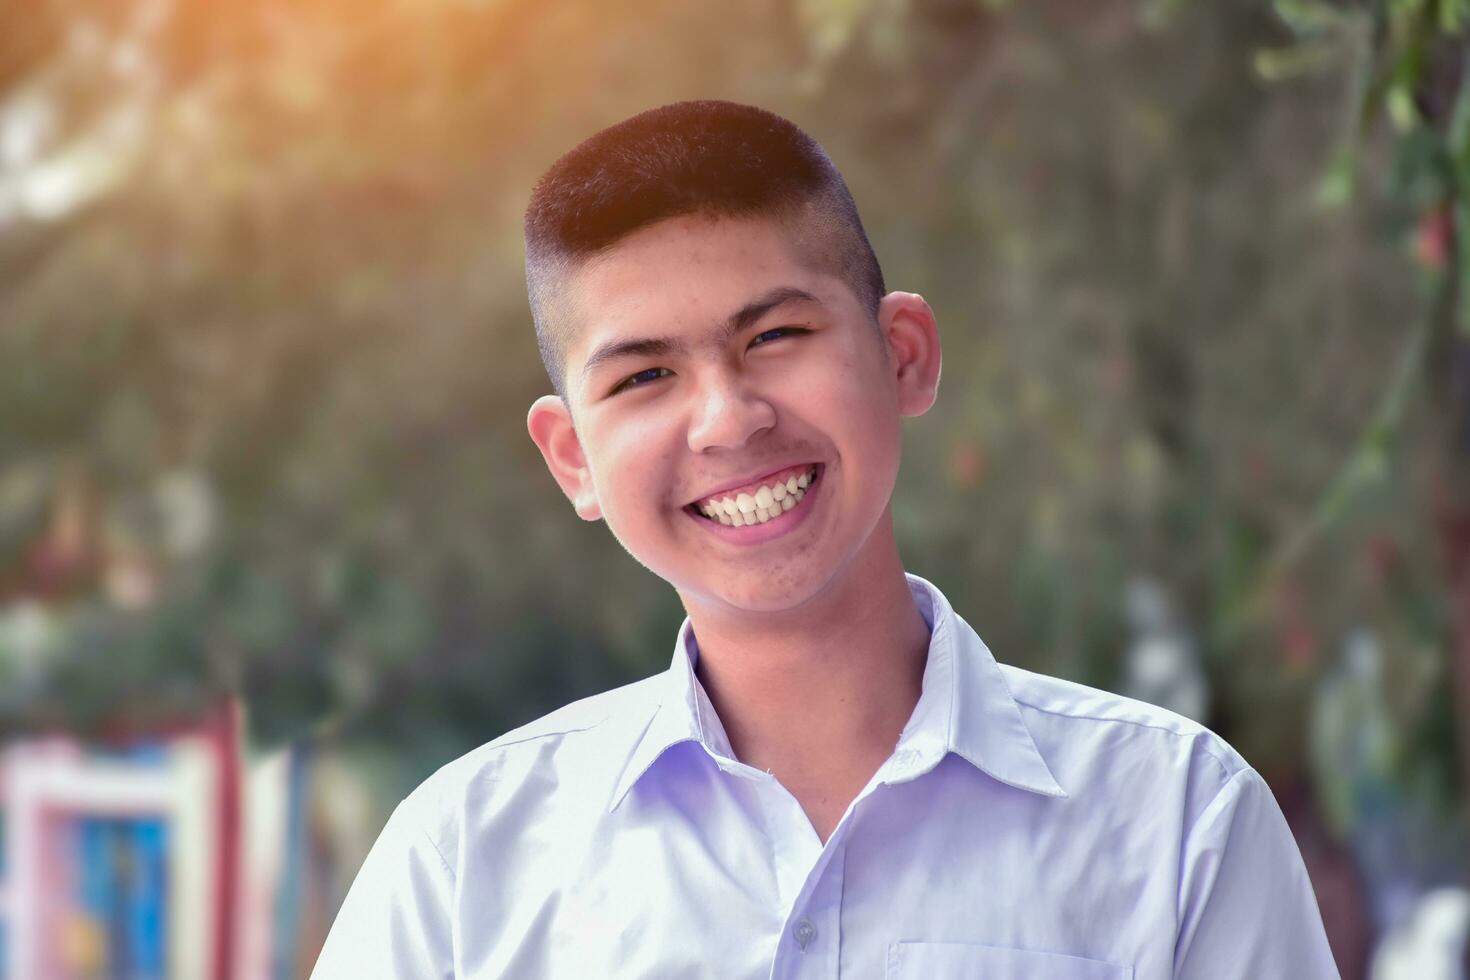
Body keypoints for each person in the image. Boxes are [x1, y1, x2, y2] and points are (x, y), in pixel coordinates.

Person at [310, 100, 1339, 979]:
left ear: (904, 356)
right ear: (573, 456)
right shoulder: (460, 865)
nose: (727, 418)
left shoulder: (1177, 824)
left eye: (774, 337)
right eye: (642, 377)